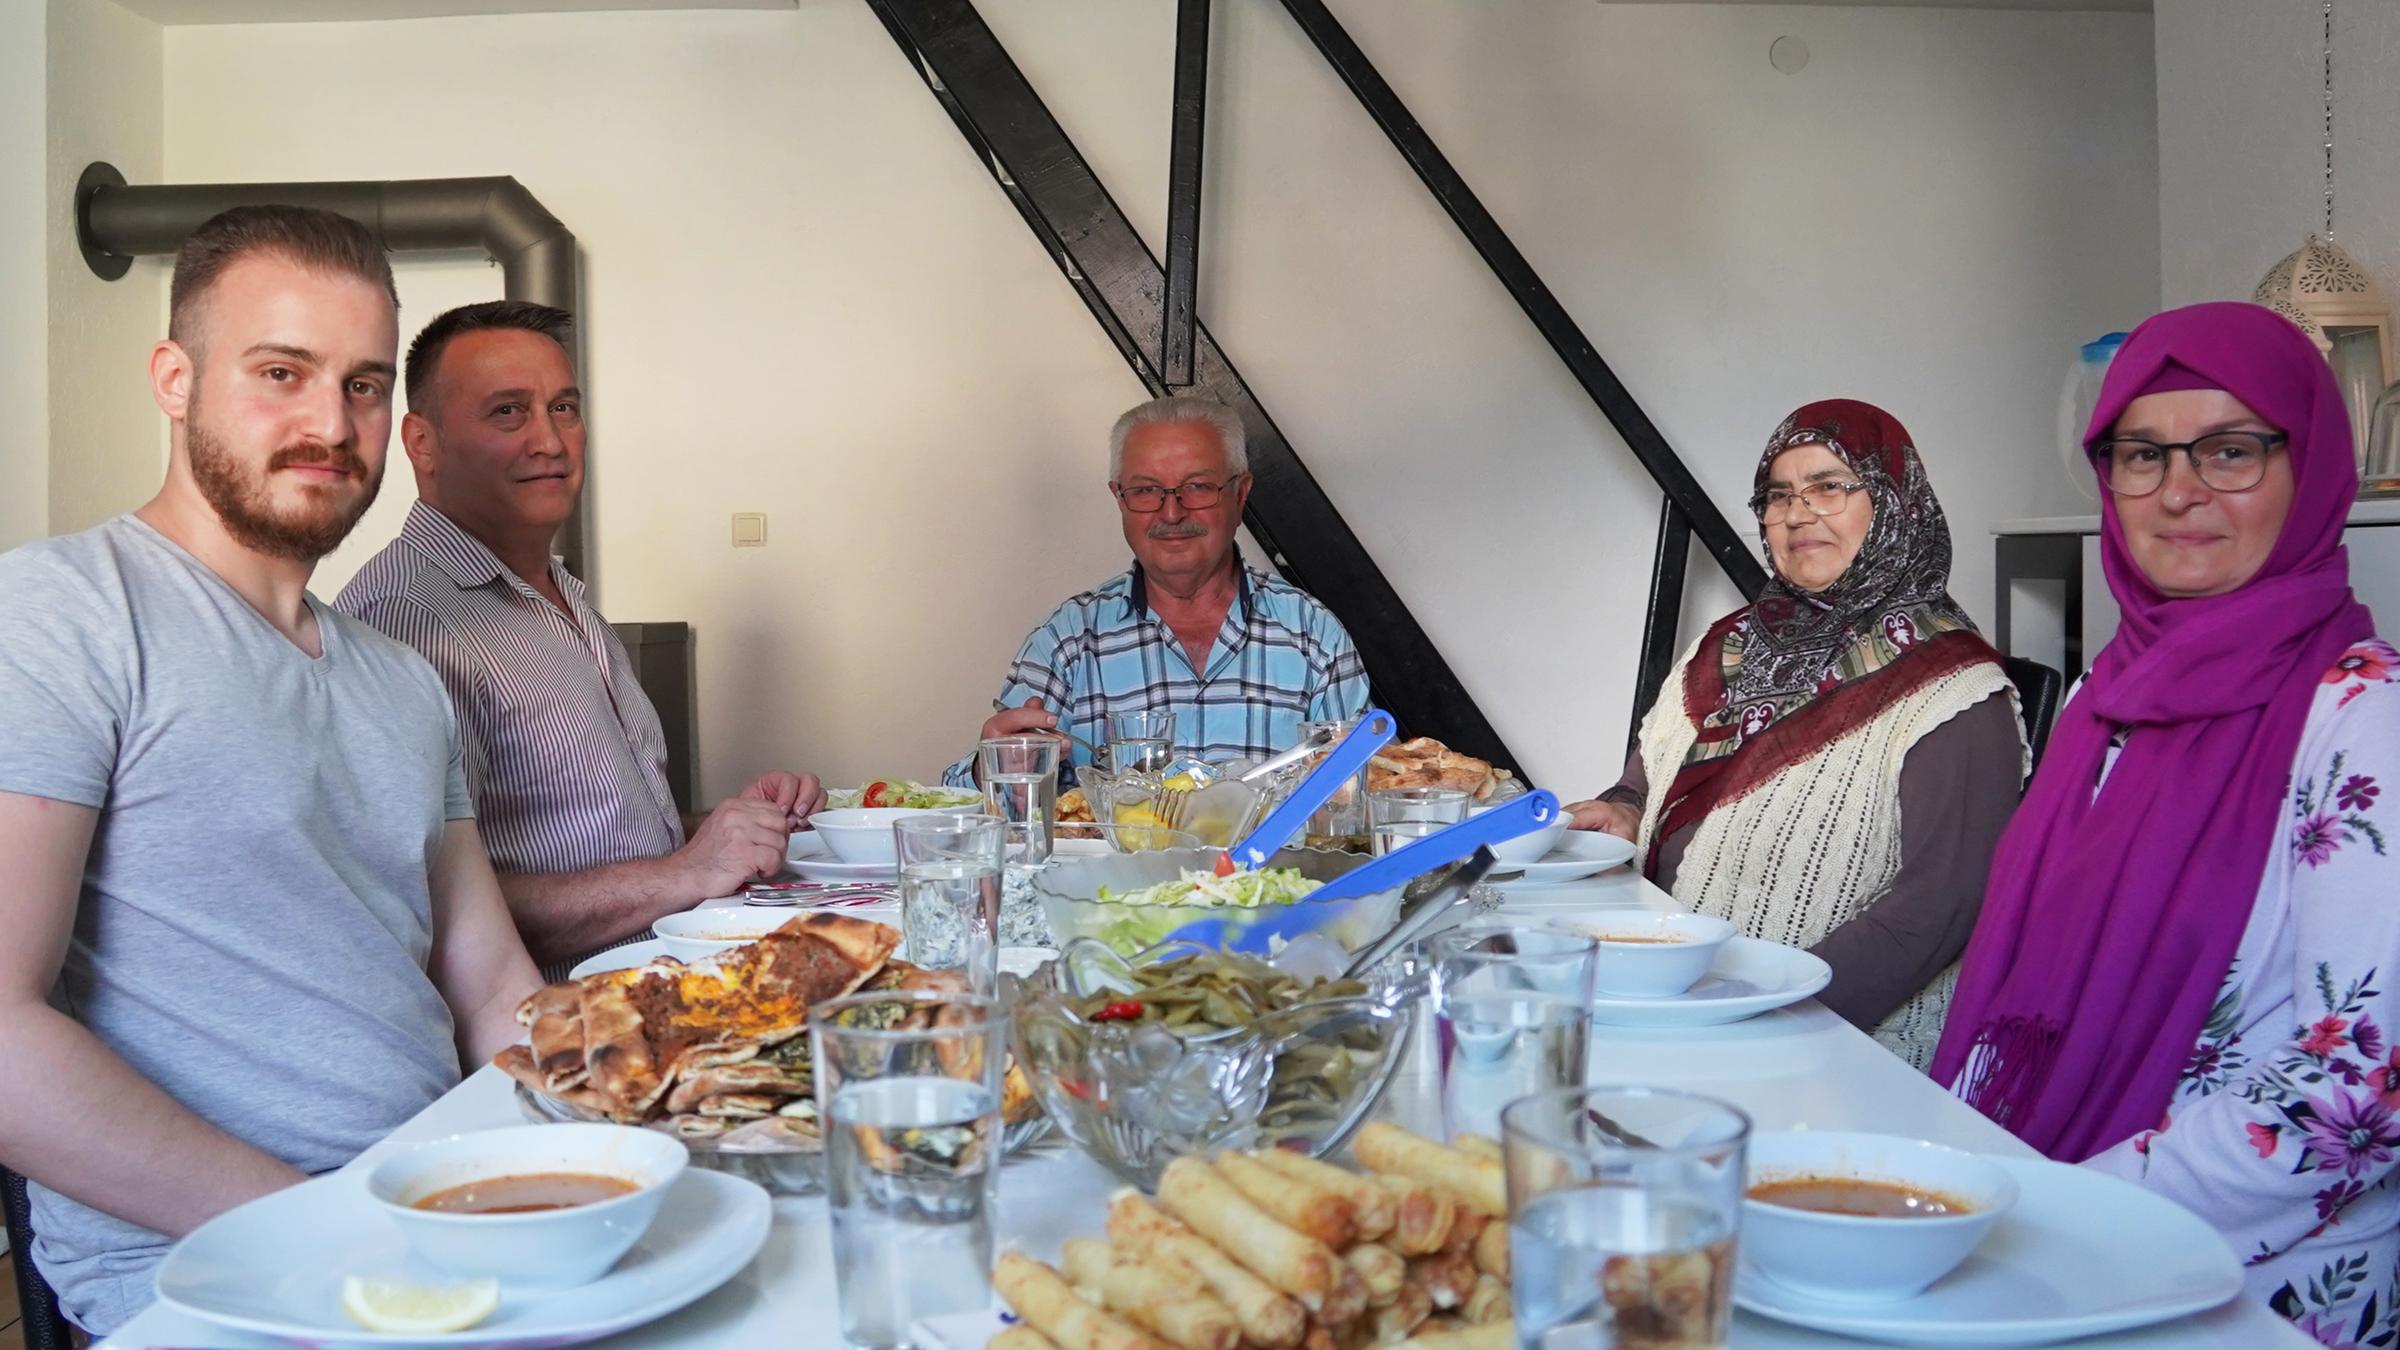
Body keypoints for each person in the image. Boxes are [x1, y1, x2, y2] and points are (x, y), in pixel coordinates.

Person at [0, 206, 542, 1335]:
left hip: (433, 1207)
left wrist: (632, 1126)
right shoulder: (58, 616)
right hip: (219, 1278)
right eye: (281, 372)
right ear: (174, 378)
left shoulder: (401, 680)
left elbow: (491, 983)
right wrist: (323, 1227)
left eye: (362, 385)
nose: (328, 423)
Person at [1934, 302, 2400, 1344]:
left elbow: (2357, 1092)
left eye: (2231, 450)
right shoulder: (2112, 689)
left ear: (2309, 466)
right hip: (2050, 1222)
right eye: (2143, 454)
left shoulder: (2365, 718)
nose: (2179, 491)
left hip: (2247, 1286)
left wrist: (2053, 1214)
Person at [336, 301, 823, 980]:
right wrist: (689, 870)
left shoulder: (559, 592)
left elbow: (603, 834)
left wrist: (732, 829)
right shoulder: (409, 619)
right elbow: (426, 911)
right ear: (422, 443)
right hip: (566, 1041)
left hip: (676, 988)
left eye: (563, 408)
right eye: (508, 412)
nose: (551, 441)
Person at [1565, 399, 2026, 1069]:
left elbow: (1939, 908)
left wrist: (1765, 1020)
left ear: (1895, 505)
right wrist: (1624, 806)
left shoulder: (1954, 690)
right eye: (1778, 496)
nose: (1797, 512)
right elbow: (1646, 779)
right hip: (1675, 997)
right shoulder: (1728, 647)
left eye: (1829, 487)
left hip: (1816, 1047)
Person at [945, 396, 1369, 785]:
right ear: (1120, 499)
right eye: (1146, 490)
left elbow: (1363, 794)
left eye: (1198, 486)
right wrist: (992, 770)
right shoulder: (1068, 639)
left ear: (1240, 494)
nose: (1171, 511)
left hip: (1269, 870)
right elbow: (967, 800)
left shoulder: (1312, 635)